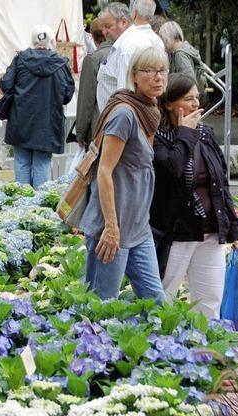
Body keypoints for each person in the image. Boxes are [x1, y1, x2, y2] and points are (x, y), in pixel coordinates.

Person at [79, 47, 169, 303]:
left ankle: (154, 343)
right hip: (112, 228)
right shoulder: (125, 114)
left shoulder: (150, 112)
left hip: (138, 227)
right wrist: (111, 228)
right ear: (134, 76)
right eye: (149, 71)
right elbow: (104, 171)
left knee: (156, 302)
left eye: (162, 70)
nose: (158, 77)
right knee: (101, 305)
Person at [151, 73, 238, 319]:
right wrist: (184, 133)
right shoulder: (157, 138)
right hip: (176, 232)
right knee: (163, 301)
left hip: (210, 231)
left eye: (197, 98)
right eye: (188, 99)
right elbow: (172, 171)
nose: (195, 104)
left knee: (210, 302)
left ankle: (205, 353)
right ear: (169, 104)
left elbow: (220, 183)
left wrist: (233, 226)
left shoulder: (205, 133)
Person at [0, 24, 74, 189]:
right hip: (48, 122)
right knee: (42, 165)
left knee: (21, 163)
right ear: (51, 41)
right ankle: (39, 207)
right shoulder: (61, 63)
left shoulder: (20, 59)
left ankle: (22, 206)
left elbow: (5, 84)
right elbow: (67, 95)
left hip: (21, 120)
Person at [97, 0, 165, 112]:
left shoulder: (127, 47)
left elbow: (125, 93)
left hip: (121, 121)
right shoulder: (150, 41)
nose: (104, 32)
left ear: (125, 20)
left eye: (108, 26)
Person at [76, 18, 113, 147]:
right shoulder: (122, 53)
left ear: (92, 36)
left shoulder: (92, 59)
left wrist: (80, 133)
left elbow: (86, 99)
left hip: (99, 125)